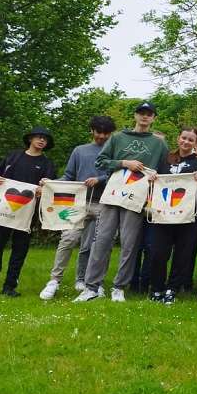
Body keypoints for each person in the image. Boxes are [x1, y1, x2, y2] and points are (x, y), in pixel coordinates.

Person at [77, 102, 168, 303]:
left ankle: (119, 287)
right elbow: (100, 162)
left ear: (153, 118)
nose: (145, 117)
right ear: (135, 115)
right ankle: (92, 287)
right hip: (113, 195)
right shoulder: (118, 138)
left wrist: (155, 179)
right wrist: (123, 163)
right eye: (141, 113)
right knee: (101, 240)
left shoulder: (159, 144)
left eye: (149, 114)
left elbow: (163, 172)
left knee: (129, 244)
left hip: (137, 198)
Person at [39, 116, 116, 300]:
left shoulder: (115, 152)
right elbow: (68, 176)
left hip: (105, 204)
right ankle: (54, 281)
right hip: (79, 204)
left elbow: (118, 174)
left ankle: (94, 283)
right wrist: (50, 184)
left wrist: (100, 179)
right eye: (99, 132)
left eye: (106, 133)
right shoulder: (80, 151)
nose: (102, 136)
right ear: (92, 130)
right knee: (68, 239)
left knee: (101, 245)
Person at [0, 126, 58, 297]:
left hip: (27, 215)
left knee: (19, 251)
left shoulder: (48, 164)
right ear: (30, 139)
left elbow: (51, 188)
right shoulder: (13, 157)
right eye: (38, 137)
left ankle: (10, 286)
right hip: (2, 211)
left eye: (45, 138)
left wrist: (45, 188)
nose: (42, 140)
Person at [149, 128, 197, 305]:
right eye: (184, 138)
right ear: (178, 139)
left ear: (195, 142)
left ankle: (172, 288)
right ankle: (156, 288)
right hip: (163, 215)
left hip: (188, 216)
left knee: (182, 254)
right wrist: (152, 178)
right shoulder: (164, 159)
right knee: (158, 253)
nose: (186, 142)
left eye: (190, 140)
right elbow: (152, 186)